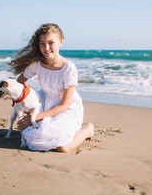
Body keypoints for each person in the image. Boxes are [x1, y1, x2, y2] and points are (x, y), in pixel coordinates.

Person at [8, 23, 94, 153]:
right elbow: (19, 83)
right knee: (33, 139)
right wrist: (23, 101)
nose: (46, 48)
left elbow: (64, 105)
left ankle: (88, 130)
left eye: (51, 43)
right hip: (43, 103)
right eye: (42, 43)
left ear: (61, 42)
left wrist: (33, 117)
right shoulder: (37, 64)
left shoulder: (68, 68)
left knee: (63, 147)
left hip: (66, 109)